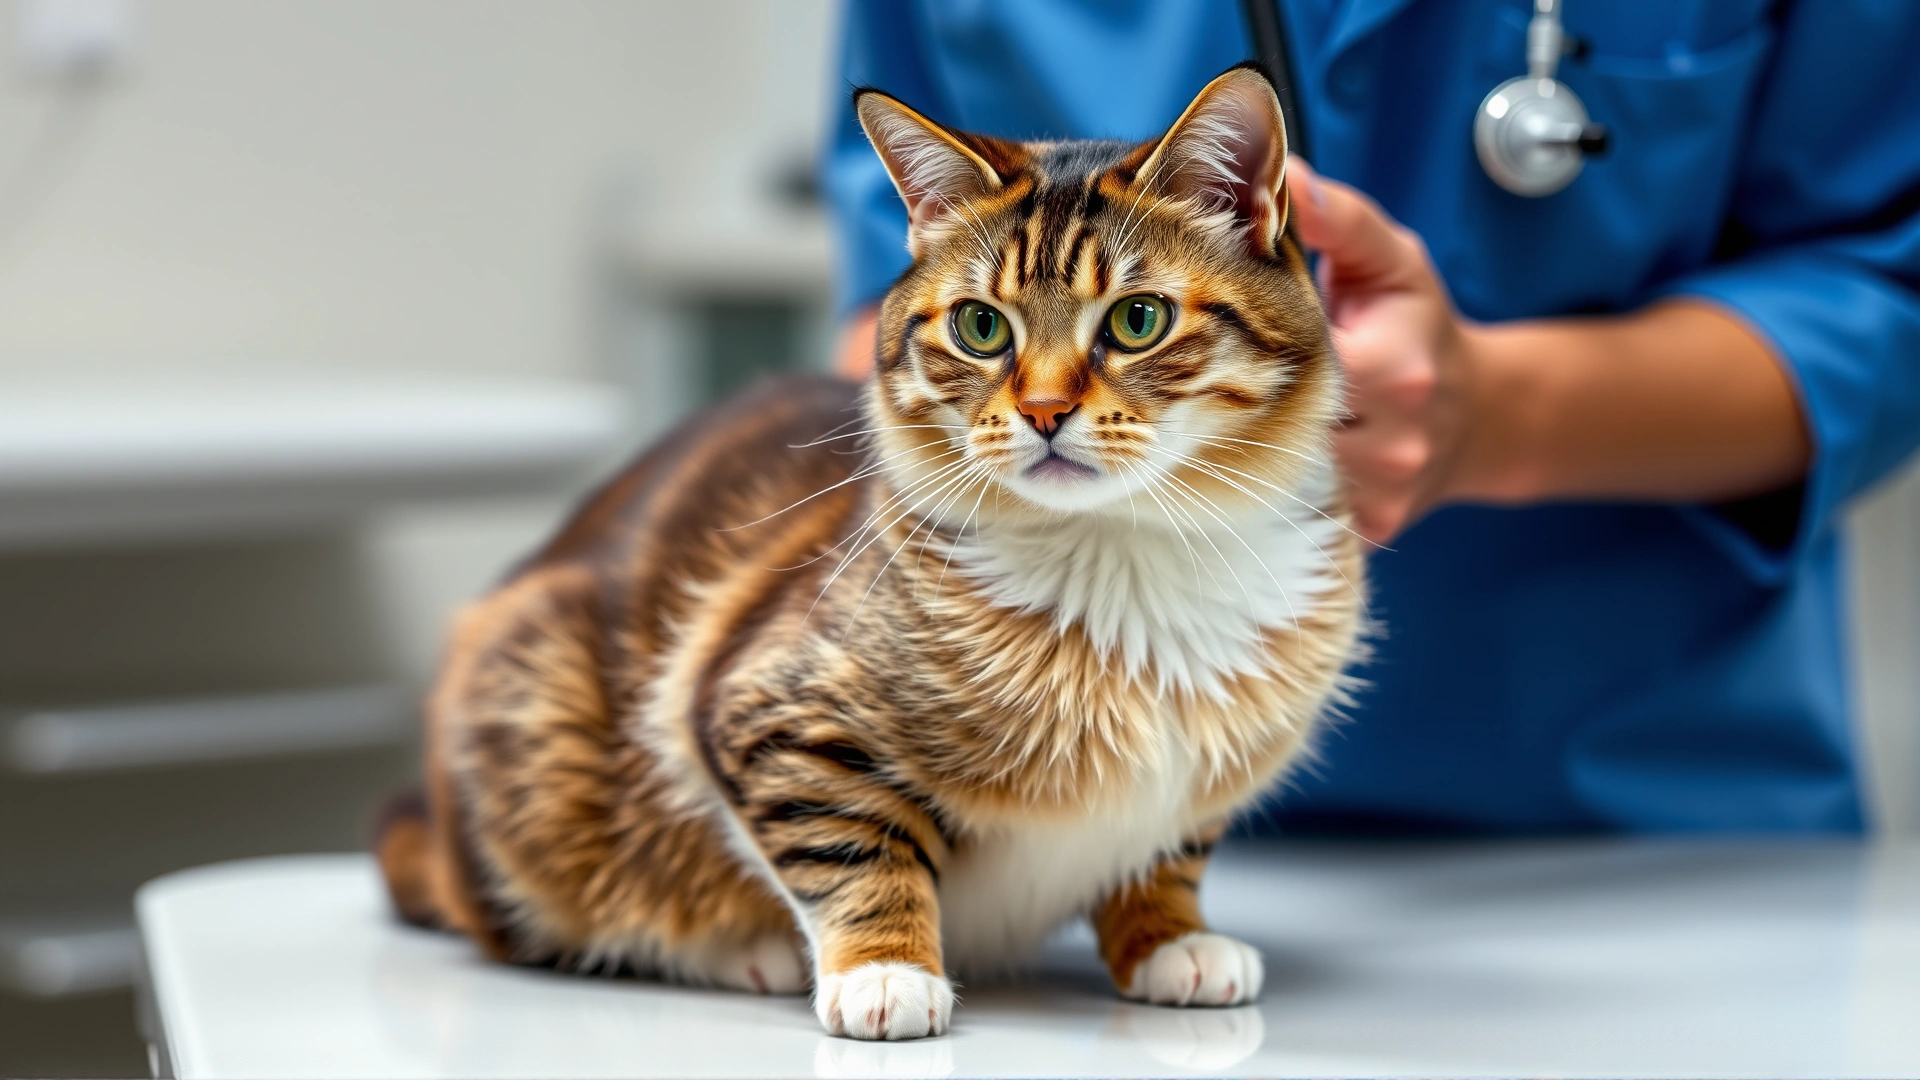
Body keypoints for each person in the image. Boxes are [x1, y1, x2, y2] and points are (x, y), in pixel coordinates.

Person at [819, 0, 1920, 834]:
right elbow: (894, 309)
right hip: (1029, 811)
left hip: (1640, 817)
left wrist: (1499, 415)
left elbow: (1884, 286)